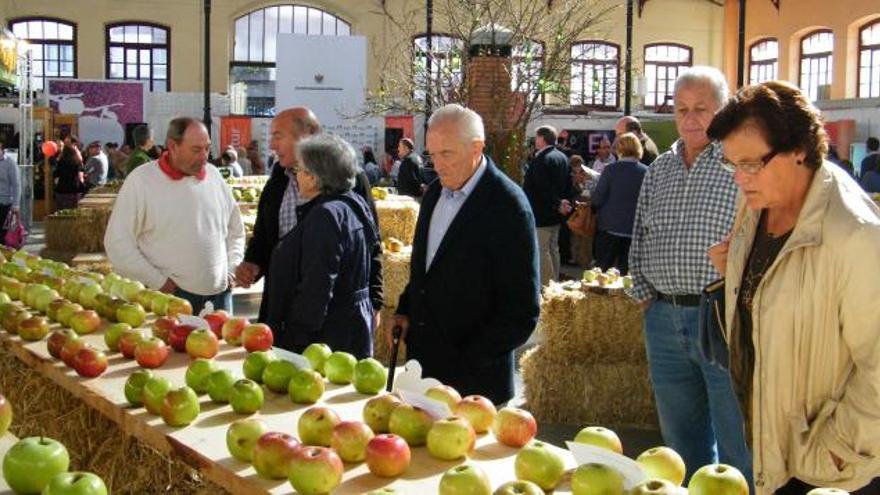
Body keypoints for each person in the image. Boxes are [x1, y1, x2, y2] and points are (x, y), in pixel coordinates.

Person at [706, 80, 880, 495]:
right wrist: (735, 274)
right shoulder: (755, 202)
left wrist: (836, 450)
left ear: (799, 149)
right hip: (773, 448)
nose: (740, 179)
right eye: (732, 165)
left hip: (832, 471)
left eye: (751, 164)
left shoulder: (855, 236)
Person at [628, 66, 752, 485]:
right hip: (663, 317)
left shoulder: (741, 166)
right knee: (679, 440)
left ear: (724, 110)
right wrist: (643, 290)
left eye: (702, 108)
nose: (690, 118)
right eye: (682, 109)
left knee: (736, 439)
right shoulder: (659, 168)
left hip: (719, 315)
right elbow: (639, 233)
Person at [393, 104, 540, 405]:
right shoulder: (434, 193)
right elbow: (426, 267)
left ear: (477, 148)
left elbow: (522, 311)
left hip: (475, 388)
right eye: (432, 155)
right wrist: (405, 308)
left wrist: (468, 358)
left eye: (446, 154)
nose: (437, 164)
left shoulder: (508, 205)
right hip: (421, 374)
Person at [235, 107, 383, 325]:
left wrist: (375, 301)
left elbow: (372, 242)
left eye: (278, 136)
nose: (272, 145)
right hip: (281, 307)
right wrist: (253, 263)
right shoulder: (277, 180)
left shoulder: (348, 178)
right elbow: (264, 237)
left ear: (308, 136)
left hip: (330, 315)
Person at [104, 117, 245, 314]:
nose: (205, 156)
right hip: (169, 302)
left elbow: (235, 230)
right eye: (196, 149)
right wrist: (158, 282)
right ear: (172, 146)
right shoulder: (141, 181)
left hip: (221, 300)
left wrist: (231, 268)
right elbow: (117, 242)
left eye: (207, 148)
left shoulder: (214, 176)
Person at [263, 134, 381, 357]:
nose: (296, 174)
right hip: (348, 329)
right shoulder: (352, 204)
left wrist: (296, 340)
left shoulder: (326, 215)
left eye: (300, 168)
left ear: (314, 177)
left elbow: (317, 284)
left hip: (327, 339)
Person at [590, 133, 648, 274]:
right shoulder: (646, 171)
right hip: (634, 230)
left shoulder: (610, 170)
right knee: (626, 276)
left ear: (618, 149)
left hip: (609, 228)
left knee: (601, 273)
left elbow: (598, 198)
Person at [523, 125, 572, 285]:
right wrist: (564, 203)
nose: (535, 140)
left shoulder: (541, 160)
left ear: (542, 139)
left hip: (541, 212)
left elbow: (542, 187)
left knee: (542, 250)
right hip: (557, 213)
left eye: (536, 137)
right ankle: (555, 280)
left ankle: (547, 285)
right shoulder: (563, 157)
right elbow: (568, 184)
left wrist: (557, 203)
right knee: (553, 248)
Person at [54, 141, 85, 210]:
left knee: (61, 212)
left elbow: (56, 174)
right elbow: (81, 175)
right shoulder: (78, 162)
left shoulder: (60, 162)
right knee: (74, 211)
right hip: (75, 189)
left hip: (63, 189)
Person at [0, 142, 21, 241]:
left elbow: (16, 184)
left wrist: (16, 205)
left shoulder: (10, 163)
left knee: (2, 235)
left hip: (4, 203)